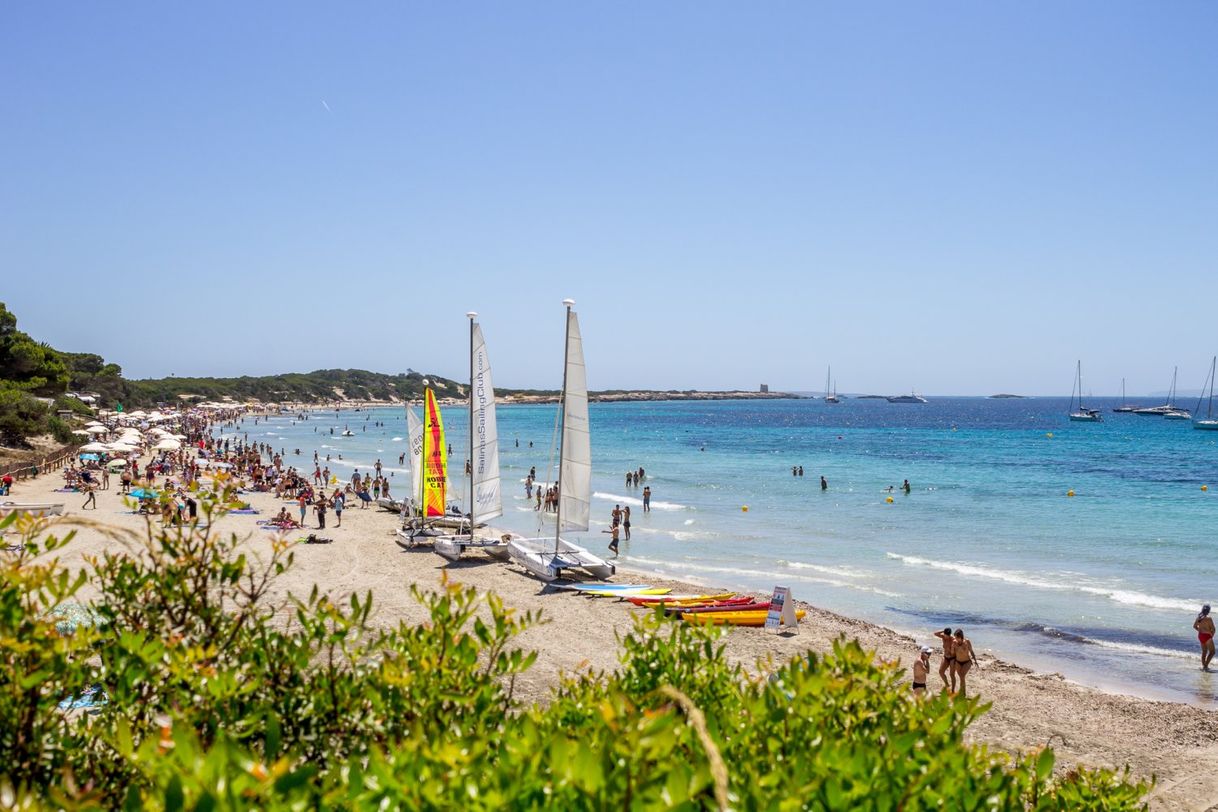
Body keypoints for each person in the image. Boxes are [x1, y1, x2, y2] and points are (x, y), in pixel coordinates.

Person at [952, 629, 978, 697]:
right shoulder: (954, 642)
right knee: (961, 677)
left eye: (957, 638)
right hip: (958, 662)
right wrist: (952, 647)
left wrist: (975, 661)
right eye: (955, 637)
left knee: (962, 676)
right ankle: (963, 692)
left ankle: (962, 692)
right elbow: (953, 653)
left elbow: (971, 651)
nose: (956, 639)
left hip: (967, 662)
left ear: (961, 636)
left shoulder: (967, 641)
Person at [933, 627, 956, 692]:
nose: (946, 637)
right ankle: (947, 685)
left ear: (949, 635)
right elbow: (935, 633)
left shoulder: (953, 639)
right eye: (945, 635)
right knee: (941, 672)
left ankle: (953, 690)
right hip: (945, 657)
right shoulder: (943, 636)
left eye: (947, 636)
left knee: (952, 674)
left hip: (953, 658)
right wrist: (943, 630)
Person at [1196, 605, 1216, 671]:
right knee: (1212, 652)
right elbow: (1213, 629)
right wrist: (1211, 635)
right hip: (1207, 636)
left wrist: (1201, 630)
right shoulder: (1209, 618)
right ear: (1209, 611)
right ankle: (1205, 666)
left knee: (1204, 651)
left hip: (1200, 635)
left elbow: (1194, 626)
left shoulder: (1199, 617)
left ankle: (1204, 666)